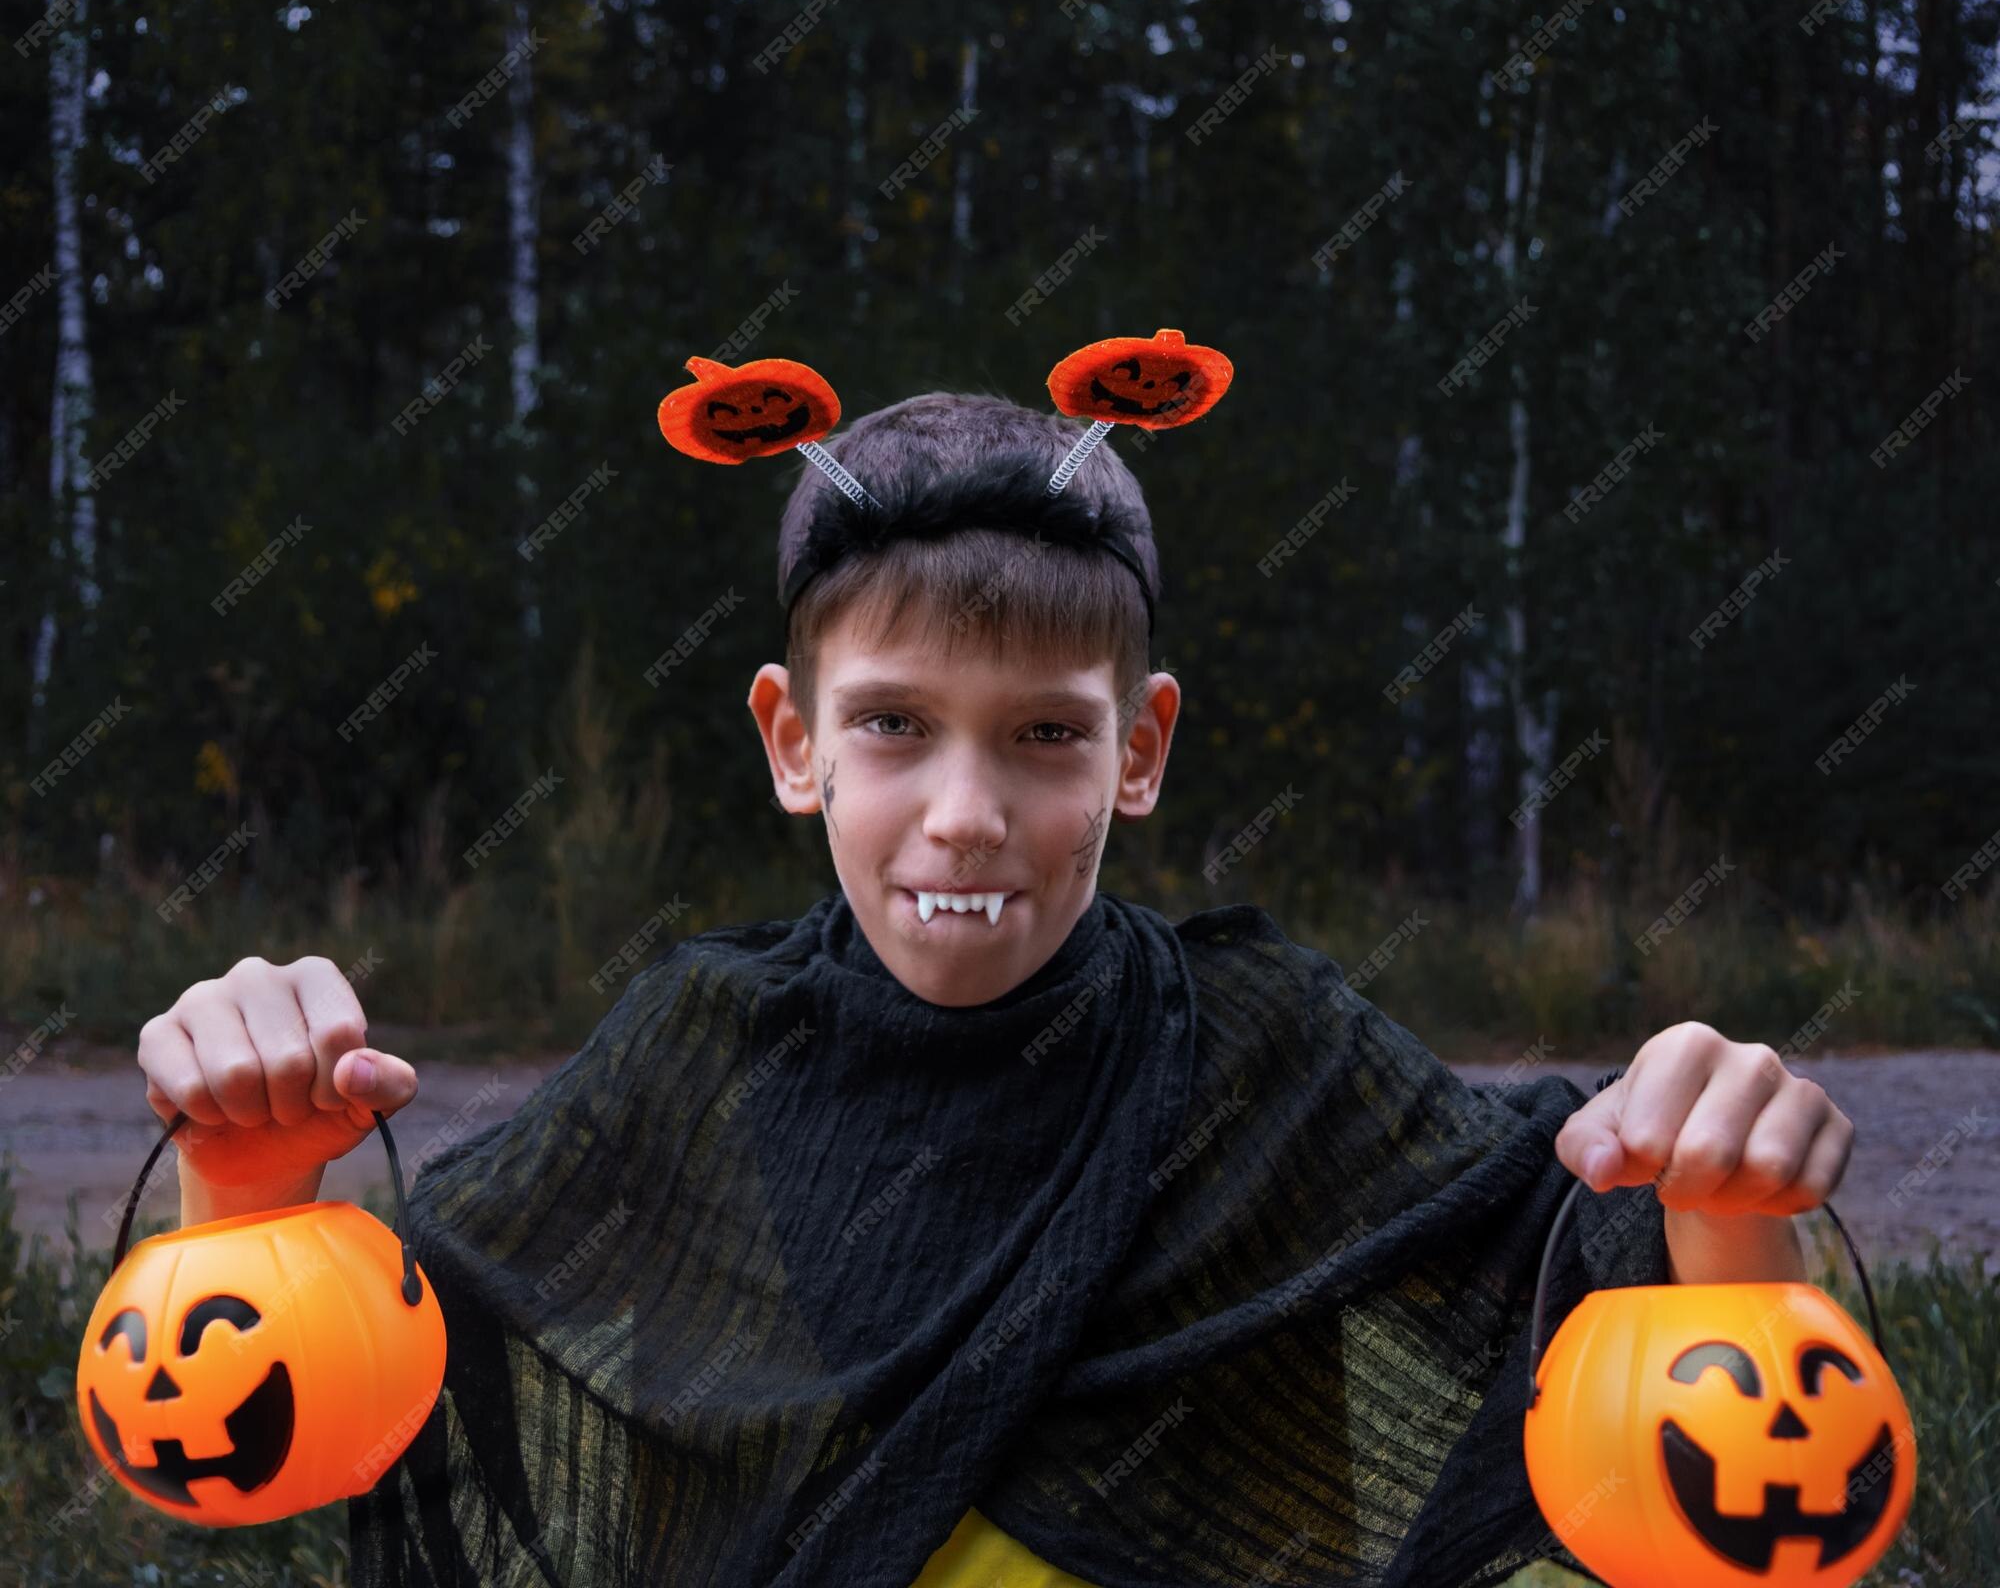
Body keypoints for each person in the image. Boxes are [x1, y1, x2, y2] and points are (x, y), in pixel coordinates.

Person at [137, 387, 1854, 1587]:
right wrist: (247, 1176)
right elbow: (393, 1356)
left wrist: (1716, 1199)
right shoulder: (697, 1062)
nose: (967, 810)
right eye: (893, 724)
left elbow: (1601, 1311)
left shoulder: (1273, 1058)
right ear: (792, 740)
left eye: (1047, 733)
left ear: (1143, 749)